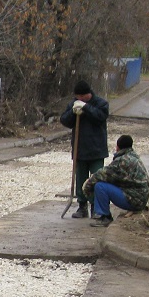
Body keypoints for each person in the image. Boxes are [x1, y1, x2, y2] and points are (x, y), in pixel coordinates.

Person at [59, 79, 109, 218]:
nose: (79, 99)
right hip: (79, 149)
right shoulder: (73, 104)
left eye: (81, 97)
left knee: (96, 179)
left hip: (96, 149)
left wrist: (86, 108)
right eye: (77, 97)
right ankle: (82, 206)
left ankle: (96, 208)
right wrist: (73, 112)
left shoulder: (101, 103)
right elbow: (64, 121)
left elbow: (100, 117)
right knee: (80, 179)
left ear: (88, 94)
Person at [82, 134, 149, 227]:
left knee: (100, 186)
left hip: (134, 201)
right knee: (107, 183)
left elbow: (102, 174)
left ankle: (105, 216)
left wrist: (87, 187)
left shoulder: (122, 161)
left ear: (117, 147)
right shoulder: (134, 157)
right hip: (141, 199)